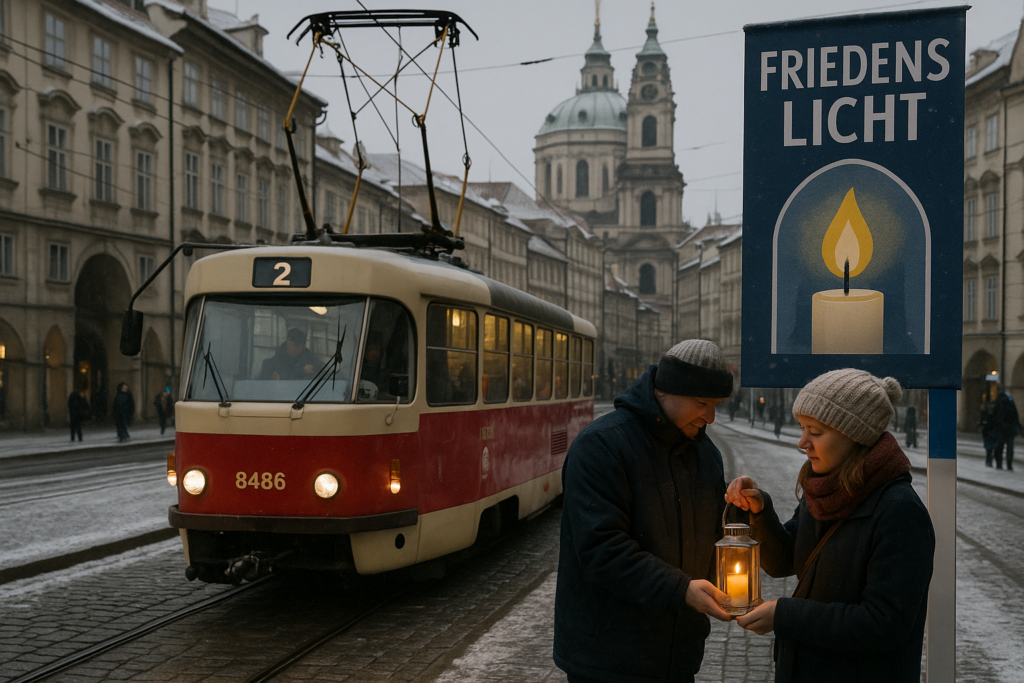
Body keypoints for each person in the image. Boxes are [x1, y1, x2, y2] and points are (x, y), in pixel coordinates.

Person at [725, 369, 935, 683]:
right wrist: (760, 512)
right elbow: (787, 560)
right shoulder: (823, 489)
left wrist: (785, 615)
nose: (802, 442)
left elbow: (883, 624)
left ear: (854, 435)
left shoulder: (899, 511)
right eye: (802, 428)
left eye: (816, 431)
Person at [554, 339, 735, 683]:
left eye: (717, 405)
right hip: (607, 658)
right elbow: (602, 550)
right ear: (667, 391)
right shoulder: (602, 444)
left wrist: (742, 512)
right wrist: (680, 590)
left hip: (677, 657)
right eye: (702, 403)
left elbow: (714, 537)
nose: (710, 417)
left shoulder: (704, 453)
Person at [993, 389, 1020, 472]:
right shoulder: (1011, 403)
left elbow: (996, 416)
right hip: (1010, 429)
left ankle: (999, 464)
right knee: (1010, 448)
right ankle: (1009, 465)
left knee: (999, 447)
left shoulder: (999, 402)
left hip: (1002, 429)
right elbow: (1015, 415)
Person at [980, 390, 1002, 468]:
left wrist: (982, 425)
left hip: (988, 431)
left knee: (988, 447)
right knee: (993, 446)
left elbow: (983, 420)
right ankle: (990, 460)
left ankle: (988, 460)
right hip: (993, 431)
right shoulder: (996, 408)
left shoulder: (985, 409)